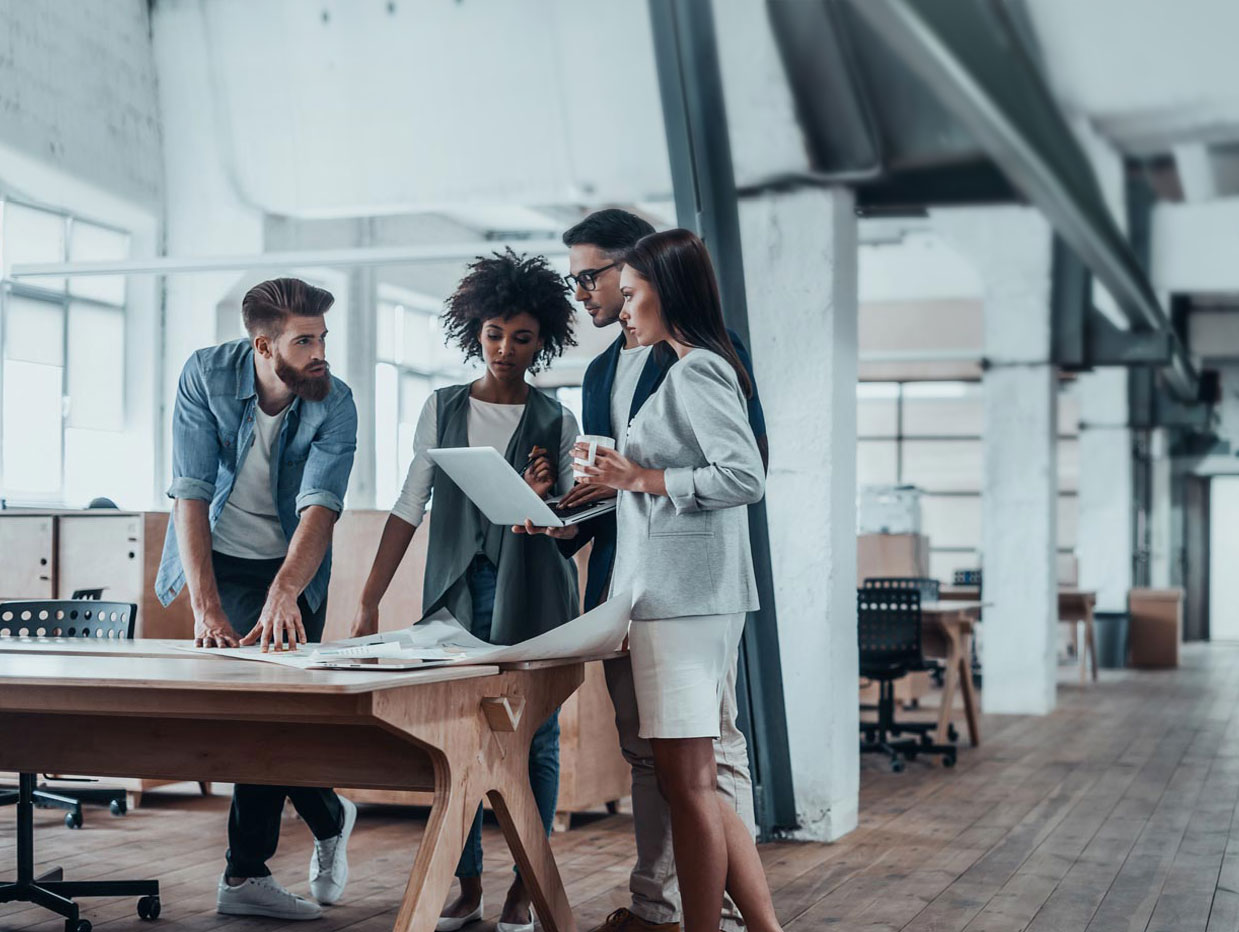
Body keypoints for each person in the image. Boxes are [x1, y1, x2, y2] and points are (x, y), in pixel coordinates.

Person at [533, 229, 781, 932]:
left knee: (693, 783)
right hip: (662, 592)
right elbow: (644, 490)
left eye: (634, 294)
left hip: (684, 597)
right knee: (689, 781)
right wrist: (574, 505)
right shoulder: (677, 364)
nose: (625, 308)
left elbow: (746, 477)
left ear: (665, 293)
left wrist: (640, 475)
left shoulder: (697, 369)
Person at [348, 249, 580, 932]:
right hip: (457, 590)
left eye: (523, 337)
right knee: (456, 737)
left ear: (544, 342)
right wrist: (368, 598)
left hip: (535, 594)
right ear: (474, 333)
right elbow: (407, 505)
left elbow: (567, 531)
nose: (506, 349)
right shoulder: (442, 408)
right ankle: (470, 881)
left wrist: (540, 501)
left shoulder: (555, 421)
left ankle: (524, 887)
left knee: (532, 738)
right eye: (494, 334)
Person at [154, 278, 358, 921]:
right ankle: (312, 826)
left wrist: (284, 593)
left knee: (278, 718)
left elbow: (320, 508)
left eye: (323, 337)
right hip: (220, 560)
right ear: (265, 348)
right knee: (252, 717)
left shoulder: (336, 402)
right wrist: (206, 607)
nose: (321, 351)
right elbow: (189, 492)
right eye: (306, 341)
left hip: (292, 568)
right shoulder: (206, 377)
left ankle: (245, 874)